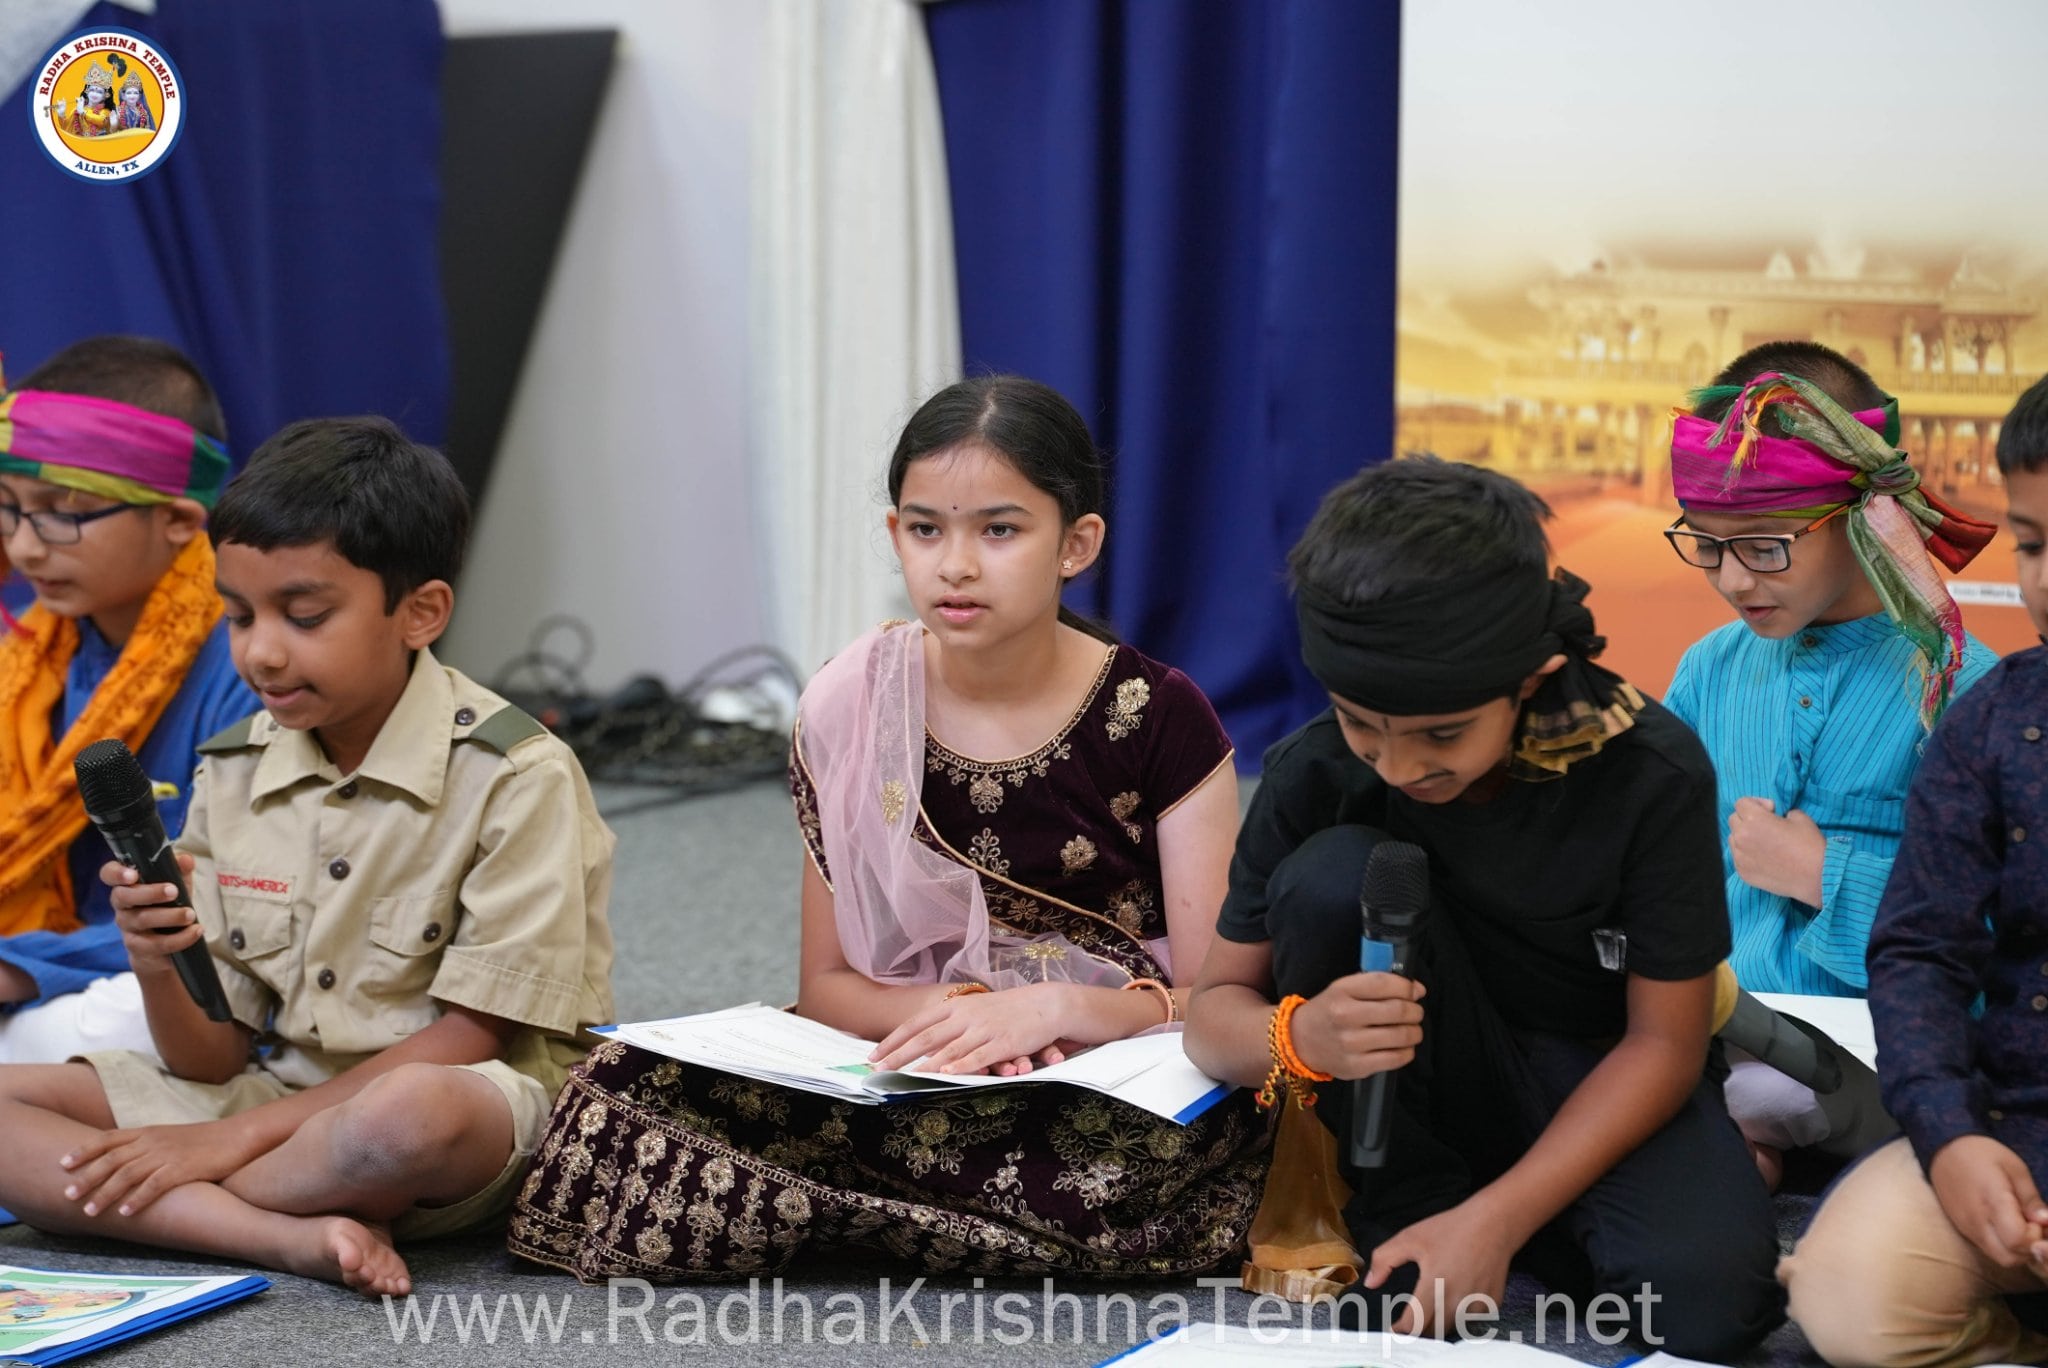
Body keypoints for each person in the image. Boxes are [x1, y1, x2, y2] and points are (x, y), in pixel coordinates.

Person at [511, 375, 1267, 1283]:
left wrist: (1060, 1009)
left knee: (1121, 1167)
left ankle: (837, 1217)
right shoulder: (853, 697)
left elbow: (1217, 1001)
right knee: (620, 1084)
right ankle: (927, 1221)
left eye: (999, 530)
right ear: (894, 535)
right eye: (924, 529)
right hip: (916, 1066)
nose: (954, 564)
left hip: (1110, 1071)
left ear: (1077, 544)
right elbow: (828, 987)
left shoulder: (1158, 716)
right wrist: (961, 1025)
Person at [1183, 456, 1783, 1360]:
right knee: (1335, 875)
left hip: (1600, 1076)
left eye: (1443, 734)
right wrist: (1300, 1038)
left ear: (1533, 678)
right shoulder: (1315, 768)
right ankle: (1425, 1208)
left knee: (1707, 1309)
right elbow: (1210, 1014)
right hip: (1415, 1101)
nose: (1396, 764)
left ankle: (1513, 1220)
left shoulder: (1649, 773)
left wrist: (1500, 1219)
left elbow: (1664, 1043)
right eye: (1362, 724)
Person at [0, 417, 615, 1297]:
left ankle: (194, 1206)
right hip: (275, 1097)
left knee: (403, 1122)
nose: (260, 651)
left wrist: (217, 1144)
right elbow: (213, 1059)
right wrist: (157, 964)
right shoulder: (236, 767)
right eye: (238, 615)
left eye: (305, 614)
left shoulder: (517, 774)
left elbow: (474, 1037)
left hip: (453, 1105)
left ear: (421, 612)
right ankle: (279, 1234)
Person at [1663, 342, 1996, 1184]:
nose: (1734, 580)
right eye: (1705, 545)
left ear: (1861, 517)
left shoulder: (1963, 687)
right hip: (1725, 1038)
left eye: (1764, 547)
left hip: (1897, 1059)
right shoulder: (1710, 668)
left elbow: (1996, 935)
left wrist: (1823, 875)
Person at [1779, 374, 2048, 1367]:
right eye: (2028, 543)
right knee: (1849, 1289)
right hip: (2015, 1134)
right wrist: (1952, 1140)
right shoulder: (1992, 721)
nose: (2041, 583)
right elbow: (1917, 953)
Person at [0, 336, 258, 1063]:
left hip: (170, 978)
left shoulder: (246, 666)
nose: (24, 547)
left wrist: (21, 969)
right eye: (9, 508)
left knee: (120, 1025)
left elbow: (232, 904)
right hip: (45, 960)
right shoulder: (32, 656)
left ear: (178, 521)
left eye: (61, 512)